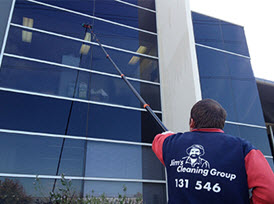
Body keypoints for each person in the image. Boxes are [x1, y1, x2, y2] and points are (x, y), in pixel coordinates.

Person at [152, 99, 274, 204]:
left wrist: (170, 136)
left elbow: (159, 140)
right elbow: (270, 193)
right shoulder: (244, 149)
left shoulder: (171, 144)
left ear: (192, 122)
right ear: (222, 124)